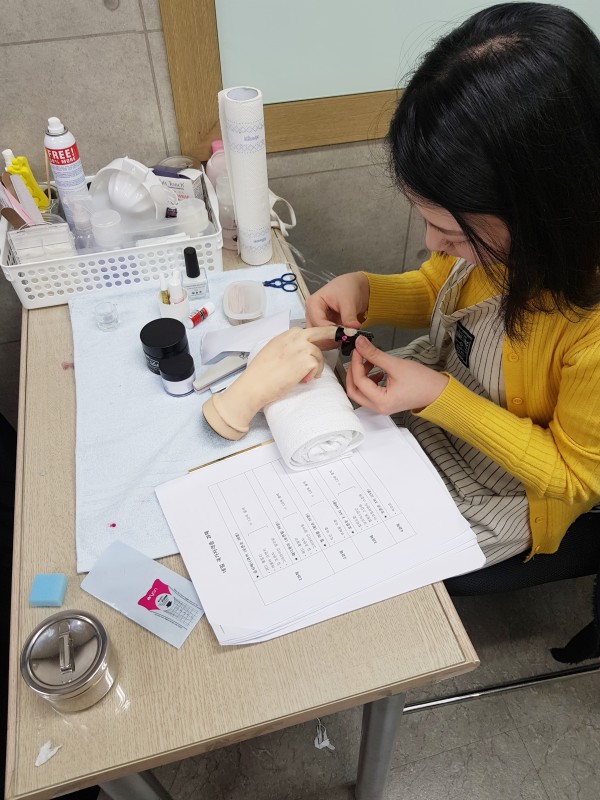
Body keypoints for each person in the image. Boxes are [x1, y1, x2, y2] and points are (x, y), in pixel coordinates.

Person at [305, 2, 600, 567]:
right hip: (435, 400)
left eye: (453, 233)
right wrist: (367, 291)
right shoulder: (500, 242)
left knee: (357, 560)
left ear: (542, 213)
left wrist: (440, 398)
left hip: (512, 486)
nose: (432, 243)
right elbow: (439, 287)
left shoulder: (589, 330)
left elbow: (573, 476)